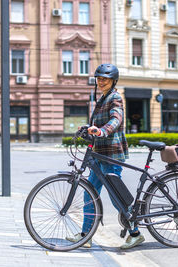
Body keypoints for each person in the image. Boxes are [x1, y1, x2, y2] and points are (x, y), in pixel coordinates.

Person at [67, 63, 145, 249]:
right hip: (99, 154)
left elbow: (116, 119)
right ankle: (86, 236)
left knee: (116, 196)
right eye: (99, 79)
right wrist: (88, 128)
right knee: (90, 194)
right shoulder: (102, 98)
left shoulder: (115, 97)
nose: (101, 82)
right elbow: (100, 122)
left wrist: (102, 131)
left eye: (105, 79)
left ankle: (135, 233)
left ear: (113, 81)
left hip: (111, 154)